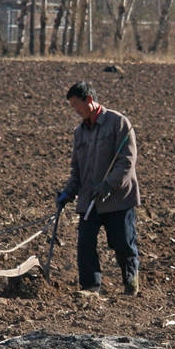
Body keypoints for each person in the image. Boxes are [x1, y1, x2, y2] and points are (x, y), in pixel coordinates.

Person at [56, 81, 141, 295]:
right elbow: (77, 168)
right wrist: (68, 192)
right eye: (72, 107)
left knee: (122, 244)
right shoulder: (80, 133)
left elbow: (126, 162)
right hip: (89, 199)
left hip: (117, 199)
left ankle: (131, 283)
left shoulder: (119, 123)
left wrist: (108, 185)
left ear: (90, 101)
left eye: (77, 105)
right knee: (85, 245)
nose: (75, 111)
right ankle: (90, 288)